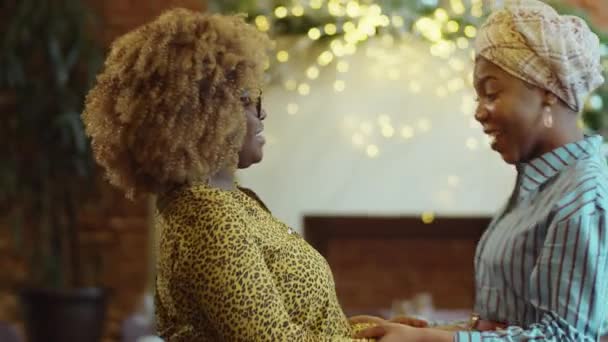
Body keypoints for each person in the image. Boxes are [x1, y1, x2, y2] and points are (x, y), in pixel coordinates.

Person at [82, 8, 373, 342]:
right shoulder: (209, 218)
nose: (261, 114)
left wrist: (364, 330)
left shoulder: (224, 204)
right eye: (248, 101)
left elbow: (284, 324)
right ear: (203, 115)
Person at [357, 0, 608, 341]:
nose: (479, 112)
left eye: (491, 92)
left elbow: (567, 337)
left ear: (546, 91)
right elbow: (511, 322)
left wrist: (436, 341)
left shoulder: (583, 195)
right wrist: (430, 331)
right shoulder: (540, 186)